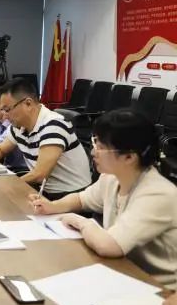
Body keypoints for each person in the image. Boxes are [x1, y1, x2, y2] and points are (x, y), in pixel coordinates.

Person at [29, 109, 177, 290]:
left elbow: (109, 246)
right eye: (95, 143)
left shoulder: (157, 194)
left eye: (101, 147)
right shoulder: (112, 178)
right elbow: (82, 199)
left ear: (129, 157)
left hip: (159, 290)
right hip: (123, 274)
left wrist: (81, 222)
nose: (93, 152)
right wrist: (52, 206)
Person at [0, 78, 91, 199]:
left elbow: (39, 174)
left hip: (70, 196)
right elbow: (0, 150)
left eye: (7, 109)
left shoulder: (53, 125)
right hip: (43, 191)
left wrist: (10, 185)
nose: (5, 116)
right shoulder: (19, 126)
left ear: (28, 103)